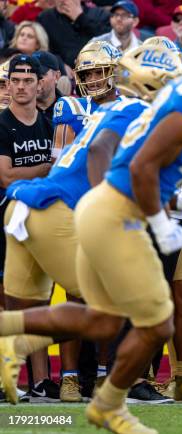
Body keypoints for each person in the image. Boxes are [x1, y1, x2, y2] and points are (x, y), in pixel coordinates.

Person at [0, 16, 182, 432]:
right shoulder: (151, 109)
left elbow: (132, 167)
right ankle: (106, 403)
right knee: (150, 317)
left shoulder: (130, 109)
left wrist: (178, 198)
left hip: (34, 207)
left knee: (107, 319)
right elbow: (116, 162)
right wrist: (159, 219)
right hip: (63, 210)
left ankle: (16, 341)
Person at [0, 54, 54, 402]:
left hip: (41, 219)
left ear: (40, 84)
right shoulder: (2, 123)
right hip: (5, 217)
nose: (20, 87)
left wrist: (42, 171)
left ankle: (41, 380)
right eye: (14, 81)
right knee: (6, 299)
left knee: (40, 299)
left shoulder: (49, 124)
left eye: (27, 80)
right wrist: (45, 167)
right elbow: (4, 176)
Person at [51, 41, 121, 164]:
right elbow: (58, 164)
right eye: (88, 74)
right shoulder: (72, 108)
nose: (92, 80)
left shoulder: (130, 105)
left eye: (99, 72)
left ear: (114, 73)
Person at [37, 0, 111, 68]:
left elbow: (109, 40)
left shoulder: (99, 14)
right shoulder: (46, 18)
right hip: (62, 74)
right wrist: (60, 64)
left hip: (96, 68)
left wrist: (80, 17)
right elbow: (43, 48)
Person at [33, 50, 62, 122]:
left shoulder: (70, 109)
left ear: (56, 76)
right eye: (32, 75)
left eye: (41, 75)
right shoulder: (18, 110)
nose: (35, 80)